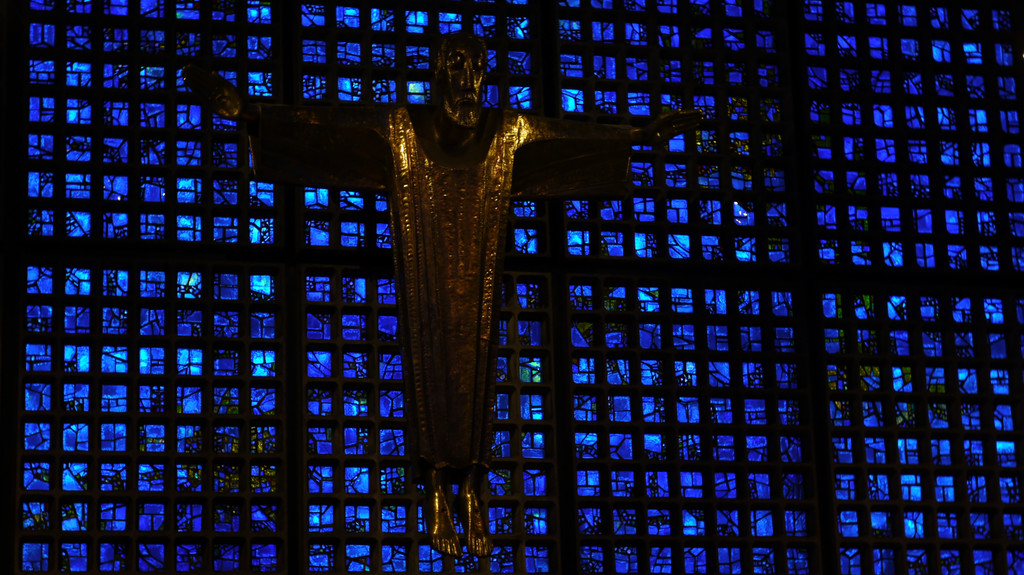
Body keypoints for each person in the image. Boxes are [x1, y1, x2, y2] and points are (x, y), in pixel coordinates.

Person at [184, 33, 701, 558]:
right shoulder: (398, 130)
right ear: (437, 72)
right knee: (428, 355)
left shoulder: (509, 134)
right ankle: (434, 486)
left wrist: (637, 135)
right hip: (424, 264)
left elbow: (565, 137)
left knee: (478, 358)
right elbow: (330, 127)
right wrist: (251, 113)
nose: (467, 79)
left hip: (479, 268)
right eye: (456, 65)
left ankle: (472, 485)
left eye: (476, 67)